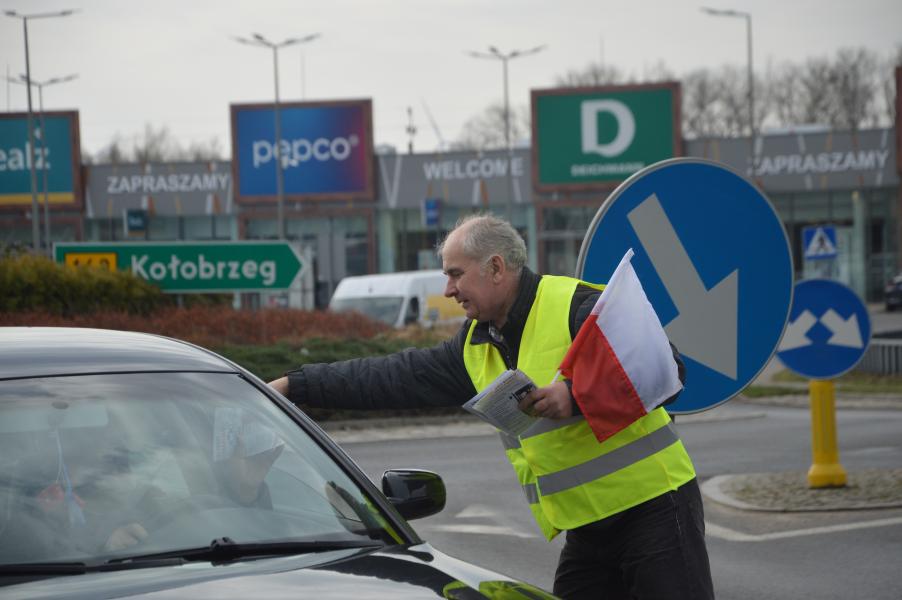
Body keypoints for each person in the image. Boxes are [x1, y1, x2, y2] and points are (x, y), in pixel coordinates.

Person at [269, 214, 713, 600]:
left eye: (456, 274)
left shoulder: (576, 307)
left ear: (496, 267)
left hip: (654, 506)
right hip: (588, 525)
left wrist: (575, 396)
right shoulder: (476, 343)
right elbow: (392, 377)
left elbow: (667, 372)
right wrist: (298, 385)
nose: (449, 290)